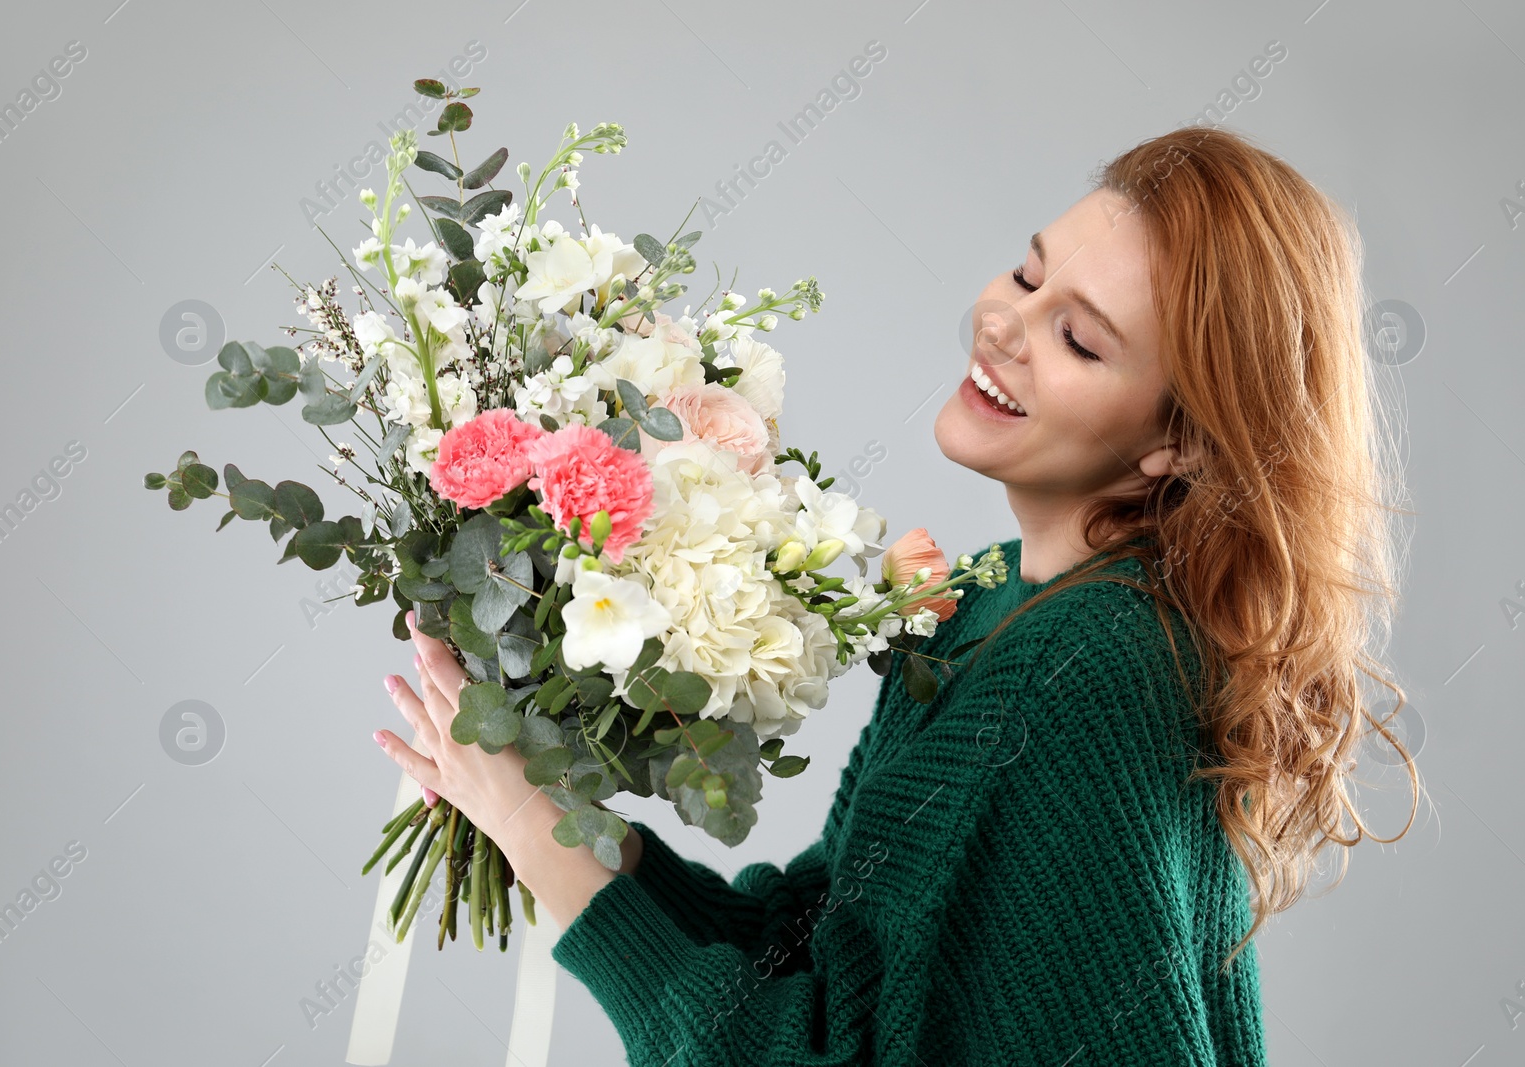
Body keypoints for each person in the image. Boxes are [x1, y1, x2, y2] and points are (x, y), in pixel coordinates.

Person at [372, 124, 1417, 1065]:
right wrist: (559, 815)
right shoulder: (990, 598)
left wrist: (521, 819)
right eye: (1026, 273)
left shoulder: (1094, 663)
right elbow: (824, 944)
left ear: (1176, 440)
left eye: (1079, 337)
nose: (1006, 323)